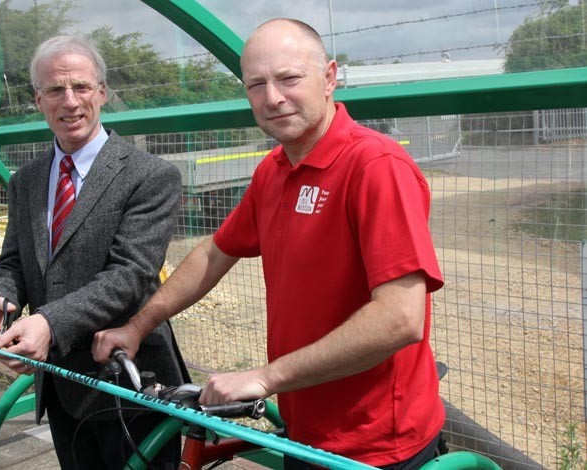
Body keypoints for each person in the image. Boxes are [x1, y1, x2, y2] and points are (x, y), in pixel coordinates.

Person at [92, 18, 445, 470]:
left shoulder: (376, 166)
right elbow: (215, 253)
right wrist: (137, 327)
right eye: (256, 84)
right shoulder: (274, 169)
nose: (273, 98)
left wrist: (265, 378)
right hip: (307, 431)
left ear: (330, 77)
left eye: (289, 78)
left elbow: (400, 318)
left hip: (375, 446)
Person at [0, 35, 188, 469]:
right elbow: (13, 261)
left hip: (130, 385)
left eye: (81, 87)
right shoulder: (27, 180)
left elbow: (130, 275)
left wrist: (49, 323)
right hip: (60, 385)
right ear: (38, 99)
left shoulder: (149, 175)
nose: (70, 101)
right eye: (55, 90)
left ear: (102, 93)